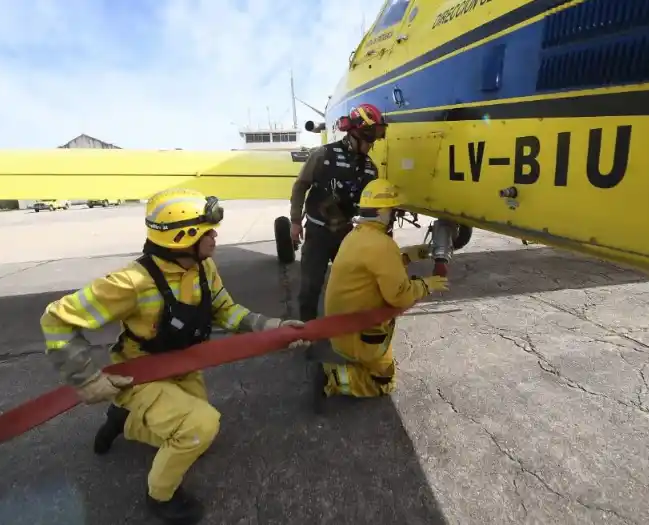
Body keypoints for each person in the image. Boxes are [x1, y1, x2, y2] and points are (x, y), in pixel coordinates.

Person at [39, 188, 309, 524]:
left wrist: (271, 327)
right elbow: (56, 319)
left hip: (183, 367)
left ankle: (124, 420)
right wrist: (87, 380)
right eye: (207, 231)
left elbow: (225, 310)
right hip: (141, 375)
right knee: (199, 426)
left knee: (199, 435)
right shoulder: (132, 282)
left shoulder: (203, 267)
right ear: (183, 237)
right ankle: (160, 496)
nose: (215, 236)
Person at [308, 178, 449, 409]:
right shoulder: (382, 245)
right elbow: (400, 296)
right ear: (382, 212)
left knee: (382, 360)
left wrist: (417, 253)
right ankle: (331, 378)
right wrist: (427, 284)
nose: (395, 216)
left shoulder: (357, 236)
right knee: (384, 382)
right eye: (393, 211)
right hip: (360, 334)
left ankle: (353, 364)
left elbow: (381, 264)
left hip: (342, 327)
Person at [289, 102, 388, 322]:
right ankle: (307, 332)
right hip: (318, 232)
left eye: (374, 139)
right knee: (310, 287)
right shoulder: (323, 155)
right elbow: (301, 185)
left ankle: (345, 330)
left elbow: (371, 205)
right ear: (353, 134)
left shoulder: (371, 169)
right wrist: (295, 221)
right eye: (368, 138)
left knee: (351, 285)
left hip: (346, 234)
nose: (371, 144)